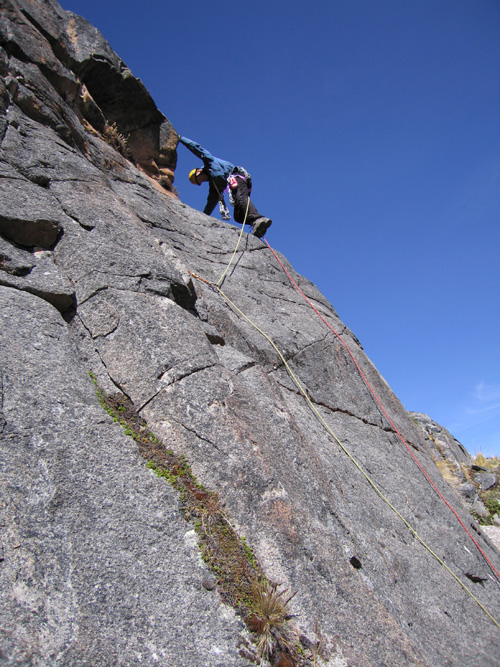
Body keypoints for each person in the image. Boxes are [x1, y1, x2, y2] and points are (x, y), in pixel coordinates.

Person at [179, 136, 272, 238]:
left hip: (237, 177)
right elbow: (211, 202)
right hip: (236, 186)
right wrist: (202, 219)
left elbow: (197, 148)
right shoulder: (214, 185)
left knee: (241, 199)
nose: (202, 181)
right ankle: (257, 225)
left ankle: (258, 219)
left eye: (199, 179)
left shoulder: (209, 162)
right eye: (200, 182)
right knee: (238, 216)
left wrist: (181, 139)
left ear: (199, 172)